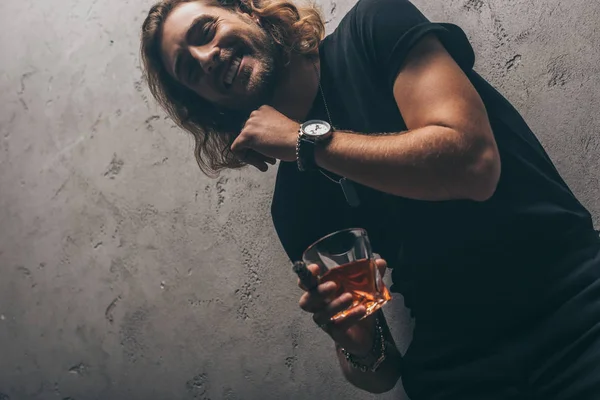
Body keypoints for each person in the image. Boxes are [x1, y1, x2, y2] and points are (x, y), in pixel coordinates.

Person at [140, 0, 600, 398]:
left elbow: (473, 164)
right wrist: (355, 342)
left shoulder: (373, 26)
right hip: (458, 370)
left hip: (574, 305)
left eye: (206, 31)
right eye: (190, 69)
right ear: (204, 101)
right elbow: (382, 373)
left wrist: (305, 141)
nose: (207, 57)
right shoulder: (293, 205)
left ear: (246, 10)